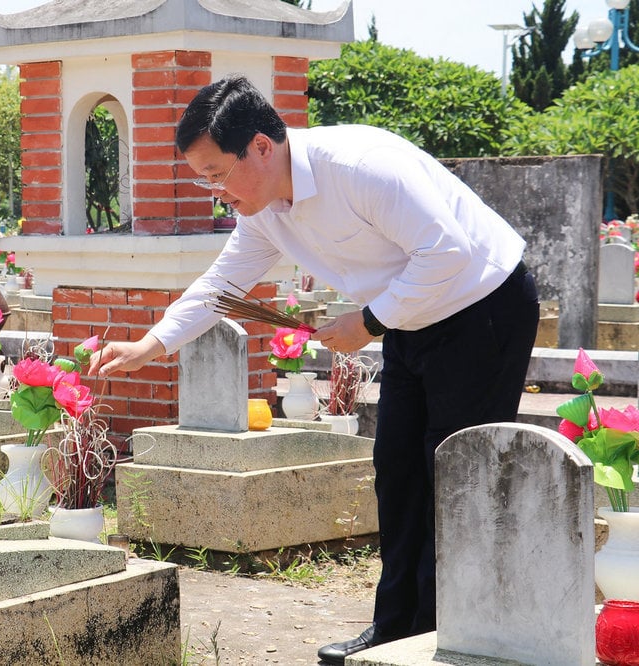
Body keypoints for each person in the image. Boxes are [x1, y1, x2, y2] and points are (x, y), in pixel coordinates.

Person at [88, 74, 539, 664]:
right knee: (397, 468)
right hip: (410, 318)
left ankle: (453, 634)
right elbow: (222, 283)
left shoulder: (360, 165)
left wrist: (370, 324)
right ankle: (397, 627)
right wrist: (151, 344)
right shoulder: (265, 208)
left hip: (483, 306)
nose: (216, 193)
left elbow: (447, 252)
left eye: (217, 175)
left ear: (261, 146)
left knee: (453, 476)